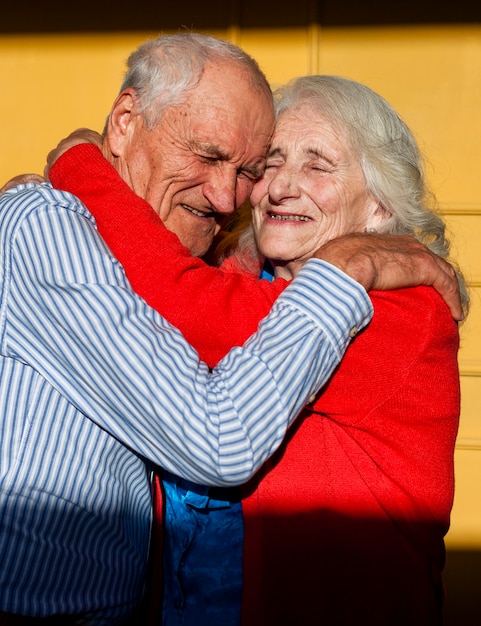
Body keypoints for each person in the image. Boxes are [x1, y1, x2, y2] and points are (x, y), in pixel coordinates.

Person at [0, 34, 460, 626]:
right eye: (269, 166)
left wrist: (79, 166)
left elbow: (187, 302)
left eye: (316, 165)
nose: (276, 187)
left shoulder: (397, 313)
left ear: (378, 210)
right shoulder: (239, 278)